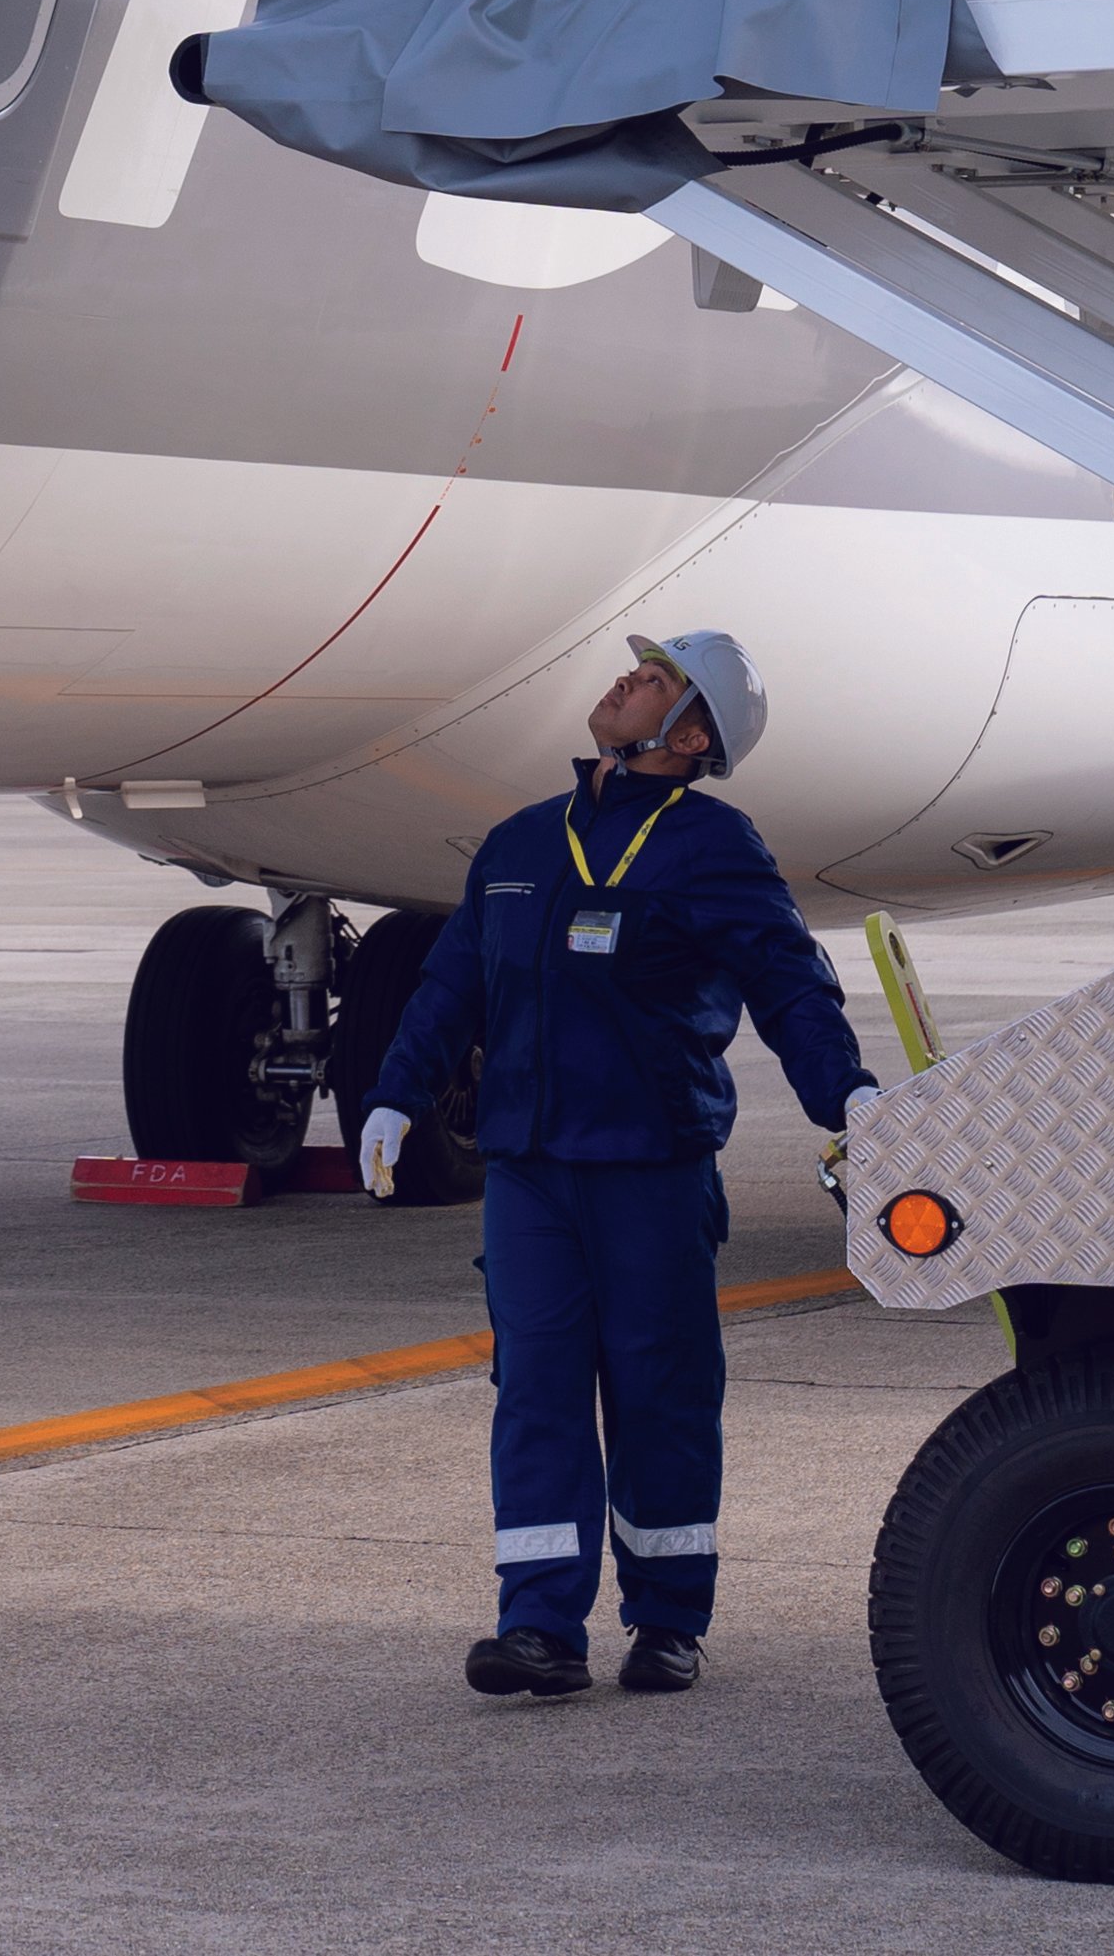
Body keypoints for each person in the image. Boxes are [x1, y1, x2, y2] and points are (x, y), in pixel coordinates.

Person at [359, 627, 878, 1701]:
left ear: (690, 734)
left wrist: (847, 1096)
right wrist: (391, 1096)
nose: (624, 680)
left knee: (661, 1391)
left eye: (653, 679)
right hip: (530, 1169)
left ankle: (668, 1613)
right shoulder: (518, 841)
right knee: (535, 1388)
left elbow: (788, 981)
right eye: (632, 667)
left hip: (651, 1163)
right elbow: (450, 987)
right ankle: (539, 1623)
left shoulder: (713, 846)